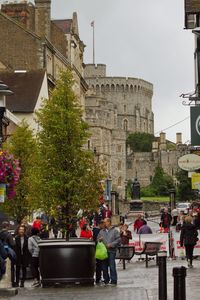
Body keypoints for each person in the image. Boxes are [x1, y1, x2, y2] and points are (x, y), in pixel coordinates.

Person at [97, 218, 121, 286]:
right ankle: (106, 280)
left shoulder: (115, 231)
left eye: (105, 222)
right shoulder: (101, 231)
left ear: (109, 222)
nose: (104, 223)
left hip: (111, 251)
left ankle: (113, 280)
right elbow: (97, 240)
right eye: (103, 222)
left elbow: (118, 240)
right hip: (104, 251)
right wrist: (99, 239)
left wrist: (112, 244)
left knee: (112, 266)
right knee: (104, 267)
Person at [0, 221, 16, 287]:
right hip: (7, 253)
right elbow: (12, 244)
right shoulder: (9, 234)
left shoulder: (0, 233)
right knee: (10, 268)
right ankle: (12, 282)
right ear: (7, 226)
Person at [93, 220, 105, 285]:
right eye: (103, 225)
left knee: (99, 264)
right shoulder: (97, 231)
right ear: (100, 224)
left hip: (98, 249)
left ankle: (99, 278)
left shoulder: (96, 230)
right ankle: (98, 278)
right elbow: (97, 240)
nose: (104, 226)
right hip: (98, 249)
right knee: (99, 264)